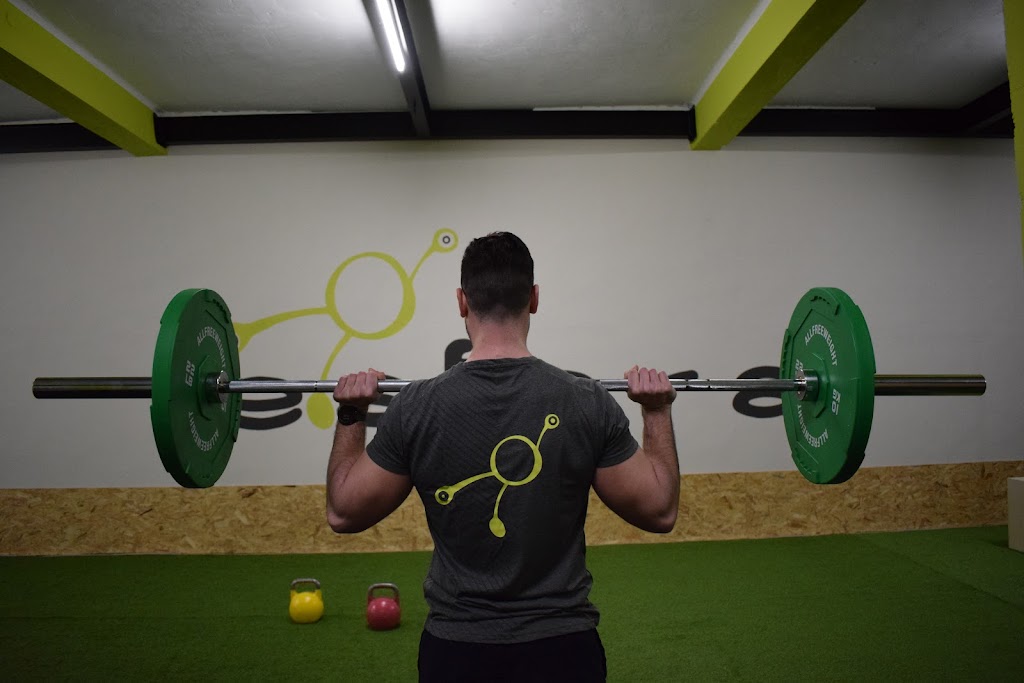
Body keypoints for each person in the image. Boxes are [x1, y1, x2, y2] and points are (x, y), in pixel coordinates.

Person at [327, 232, 679, 682]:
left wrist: (352, 413)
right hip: (564, 652)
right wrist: (657, 412)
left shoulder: (415, 406)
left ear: (461, 301)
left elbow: (342, 513)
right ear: (533, 298)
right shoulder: (585, 402)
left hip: (456, 653)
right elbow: (660, 510)